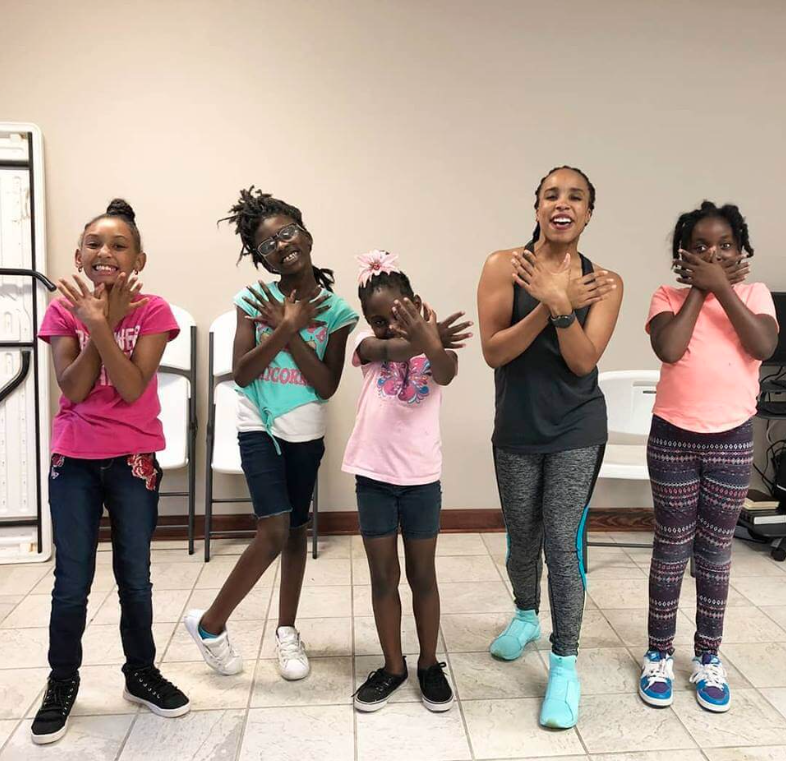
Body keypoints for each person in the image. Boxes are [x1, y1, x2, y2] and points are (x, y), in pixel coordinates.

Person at [32, 199, 189, 745]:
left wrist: (105, 325)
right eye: (95, 244)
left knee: (135, 576)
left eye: (119, 245)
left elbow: (129, 386)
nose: (106, 253)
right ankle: (62, 679)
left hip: (133, 459)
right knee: (71, 580)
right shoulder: (60, 310)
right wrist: (98, 323)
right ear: (79, 255)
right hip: (73, 458)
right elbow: (72, 389)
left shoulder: (155, 311)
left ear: (138, 260)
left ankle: (140, 673)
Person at [184, 188, 357, 680]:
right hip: (258, 426)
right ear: (260, 258)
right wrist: (282, 328)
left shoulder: (339, 311)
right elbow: (242, 373)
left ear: (305, 232)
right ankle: (212, 625)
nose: (281, 245)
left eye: (286, 232)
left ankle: (287, 631)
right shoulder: (253, 299)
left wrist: (295, 329)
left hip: (307, 431)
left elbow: (325, 385)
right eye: (267, 245)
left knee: (297, 531)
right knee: (275, 530)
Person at [477, 166, 623, 728]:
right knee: (522, 535)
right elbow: (494, 352)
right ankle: (525, 614)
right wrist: (546, 303)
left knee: (562, 541)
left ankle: (565, 662)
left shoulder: (606, 281)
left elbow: (583, 360)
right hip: (516, 426)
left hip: (577, 428)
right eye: (551, 195)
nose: (563, 204)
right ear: (536, 206)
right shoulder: (502, 265)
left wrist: (563, 306)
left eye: (576, 197)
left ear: (589, 211)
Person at [638, 201, 778, 713]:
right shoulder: (667, 297)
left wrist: (721, 286)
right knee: (672, 547)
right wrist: (702, 288)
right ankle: (657, 652)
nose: (712, 254)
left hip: (732, 440)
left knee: (716, 553)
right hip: (673, 439)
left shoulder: (754, 294)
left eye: (724, 246)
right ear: (683, 255)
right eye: (700, 247)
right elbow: (670, 349)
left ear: (742, 252)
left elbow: (762, 343)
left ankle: (707, 657)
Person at [343, 250, 471, 712]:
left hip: (421, 481)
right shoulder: (363, 343)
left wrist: (432, 340)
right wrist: (424, 334)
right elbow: (390, 349)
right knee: (383, 577)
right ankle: (393, 666)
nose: (385, 326)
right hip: (373, 478)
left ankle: (429, 663)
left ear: (414, 303)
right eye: (377, 319)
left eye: (396, 315)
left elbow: (446, 372)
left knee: (422, 575)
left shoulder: (436, 347)